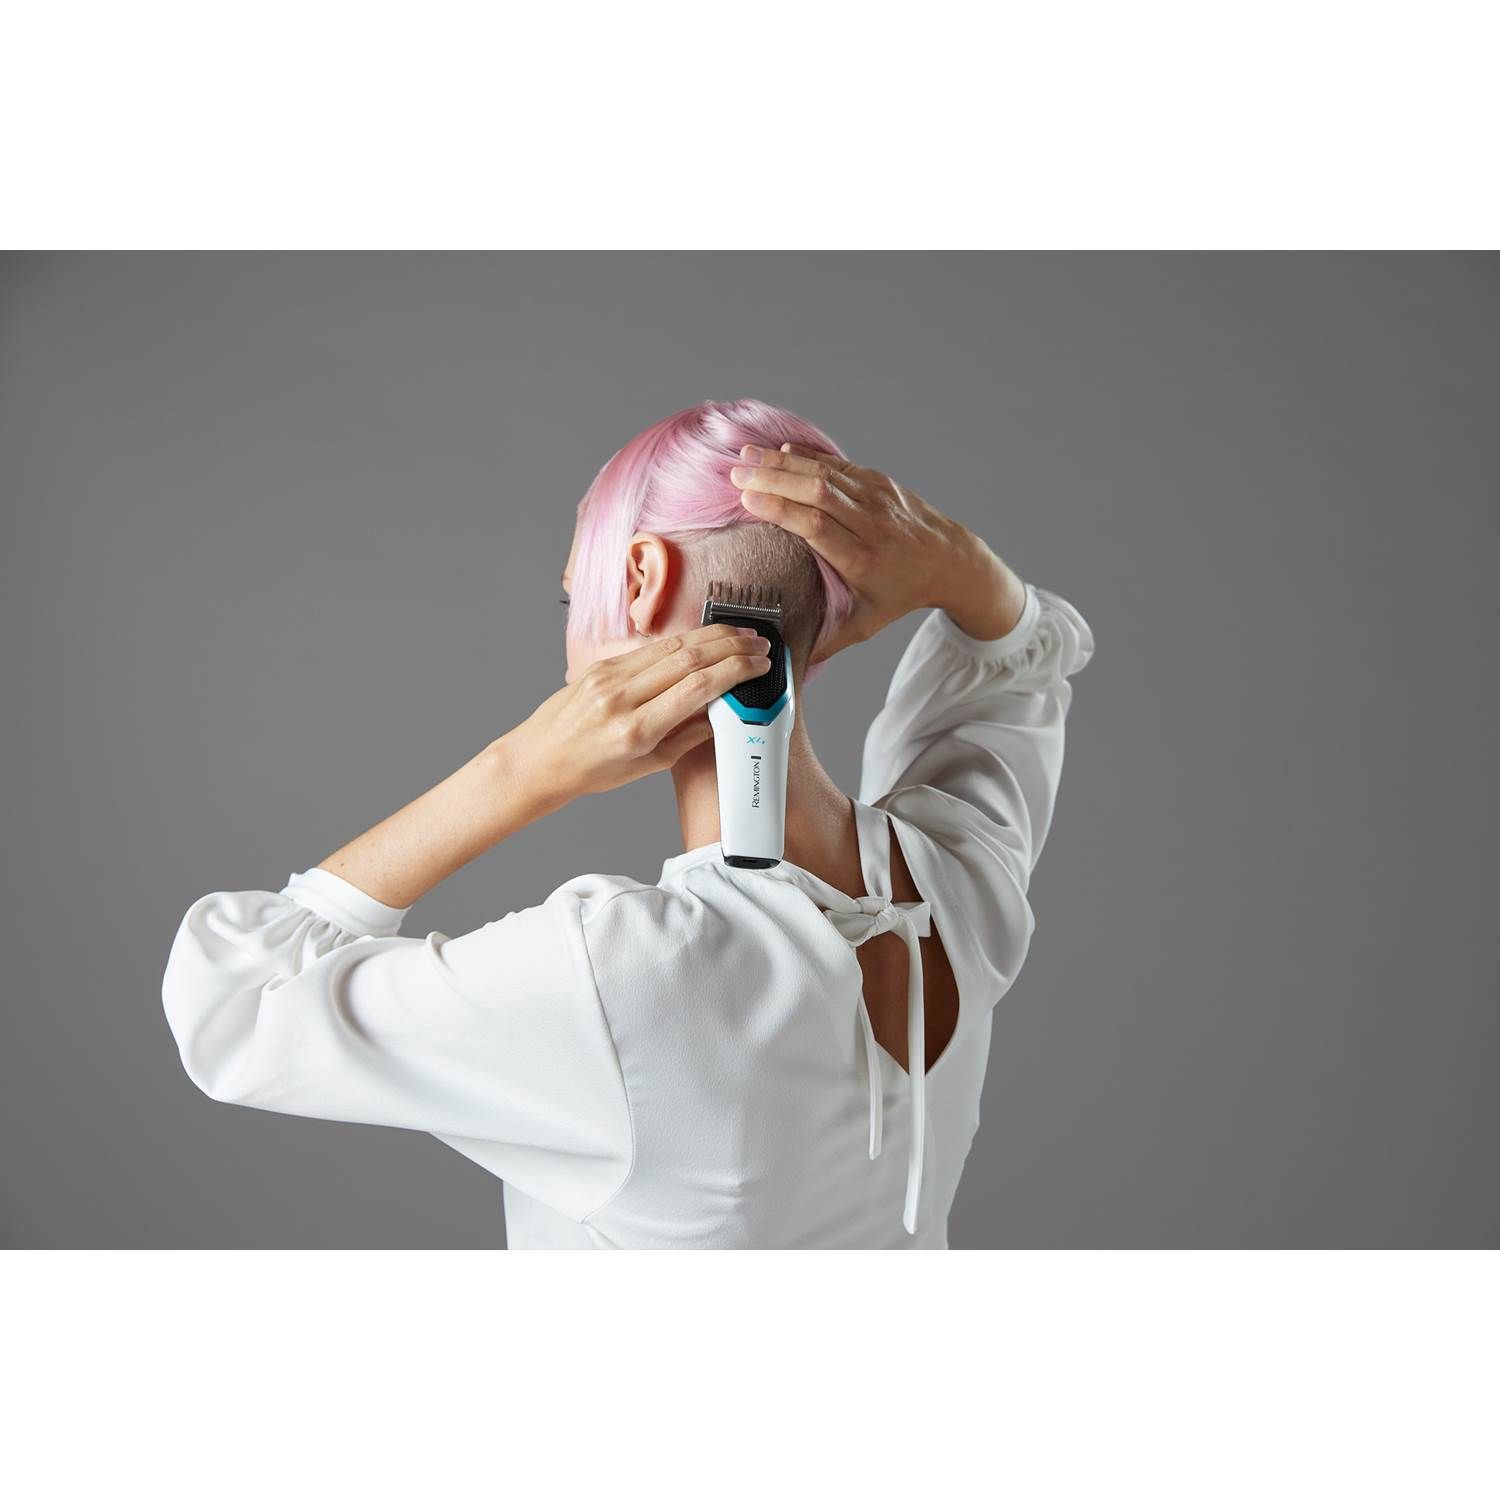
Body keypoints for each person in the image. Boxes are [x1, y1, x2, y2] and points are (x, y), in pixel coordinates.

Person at [161, 398, 1094, 1248]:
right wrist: (967, 572)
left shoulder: (625, 972)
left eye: (575, 593)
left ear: (642, 578)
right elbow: (1015, 666)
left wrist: (519, 770)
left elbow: (232, 1009)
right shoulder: (962, 880)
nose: (570, 625)